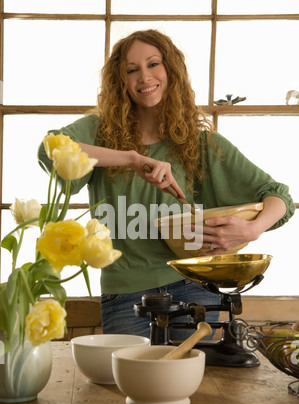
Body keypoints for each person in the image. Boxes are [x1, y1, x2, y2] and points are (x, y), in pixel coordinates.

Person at [38, 29, 295, 342]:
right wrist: (132, 159)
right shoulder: (97, 132)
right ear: (121, 81)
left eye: (153, 64)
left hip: (196, 288)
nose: (144, 76)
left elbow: (279, 197)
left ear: (171, 70)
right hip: (126, 293)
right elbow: (51, 149)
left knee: (197, 388)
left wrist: (252, 230)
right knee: (132, 385)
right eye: (132, 70)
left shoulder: (202, 144)